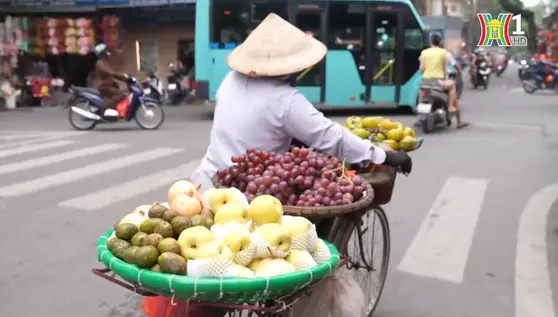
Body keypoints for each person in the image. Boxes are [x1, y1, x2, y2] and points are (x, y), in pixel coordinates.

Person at [190, 13, 412, 190]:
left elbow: (253, 123)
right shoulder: (286, 100)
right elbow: (331, 137)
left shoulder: (230, 79)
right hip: (250, 194)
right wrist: (382, 156)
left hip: (208, 180)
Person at [419, 34, 459, 112]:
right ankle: (450, 107)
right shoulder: (443, 52)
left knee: (422, 92)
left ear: (430, 42)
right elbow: (444, 69)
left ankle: (419, 107)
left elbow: (421, 68)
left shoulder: (424, 52)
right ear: (440, 42)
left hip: (425, 81)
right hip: (438, 82)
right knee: (452, 85)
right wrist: (444, 79)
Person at [93, 43, 129, 117]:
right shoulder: (100, 63)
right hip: (104, 86)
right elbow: (110, 72)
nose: (107, 51)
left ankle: (115, 109)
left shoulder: (105, 62)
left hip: (108, 85)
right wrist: (122, 76)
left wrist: (123, 77)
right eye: (105, 50)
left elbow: (113, 73)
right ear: (102, 53)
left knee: (124, 91)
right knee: (120, 94)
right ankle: (106, 107)